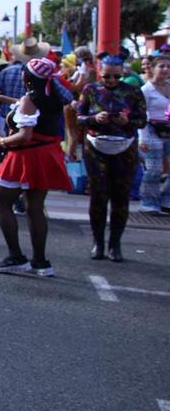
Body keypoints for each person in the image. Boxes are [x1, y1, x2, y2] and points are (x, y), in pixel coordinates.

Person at [0, 58, 72, 276]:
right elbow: (30, 104)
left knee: (2, 201)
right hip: (46, 155)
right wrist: (2, 98)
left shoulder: (30, 100)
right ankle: (41, 262)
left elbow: (25, 134)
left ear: (26, 77)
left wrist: (1, 142)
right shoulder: (52, 96)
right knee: (35, 207)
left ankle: (16, 257)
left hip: (26, 156)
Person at [77, 53, 147, 261]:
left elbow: (142, 120)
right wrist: (94, 118)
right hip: (96, 148)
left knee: (121, 197)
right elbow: (79, 118)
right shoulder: (90, 89)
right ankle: (98, 243)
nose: (112, 81)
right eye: (107, 77)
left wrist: (127, 121)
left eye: (117, 77)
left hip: (125, 148)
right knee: (98, 196)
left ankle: (115, 245)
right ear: (100, 73)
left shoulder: (133, 91)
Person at [138, 48, 170, 213]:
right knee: (154, 169)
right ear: (153, 68)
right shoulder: (146, 90)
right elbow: (141, 115)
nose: (165, 70)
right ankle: (148, 202)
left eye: (168, 67)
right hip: (151, 132)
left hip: (169, 131)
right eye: (162, 66)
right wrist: (142, 139)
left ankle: (166, 199)